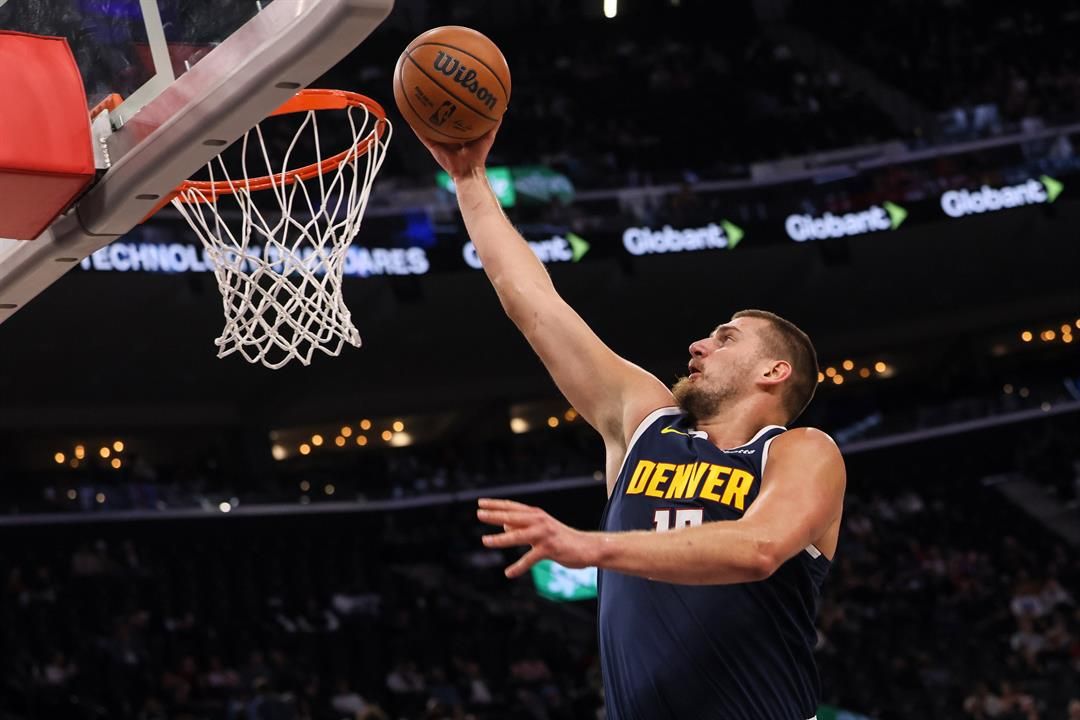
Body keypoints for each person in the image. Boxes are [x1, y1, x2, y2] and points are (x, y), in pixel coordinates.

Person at [417, 124, 846, 720]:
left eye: (726, 338)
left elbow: (760, 547)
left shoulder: (800, 449)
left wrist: (591, 546)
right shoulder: (646, 424)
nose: (698, 345)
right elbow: (534, 303)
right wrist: (468, 181)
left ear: (774, 371)